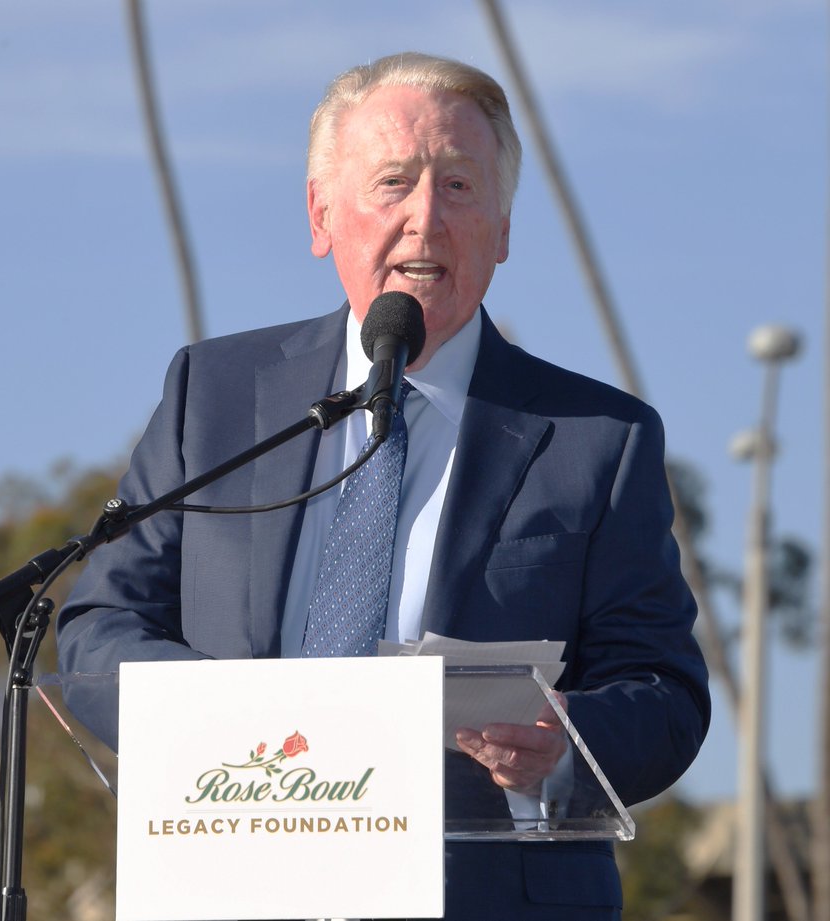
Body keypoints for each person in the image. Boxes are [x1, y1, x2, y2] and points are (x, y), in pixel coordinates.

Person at [57, 51, 710, 919]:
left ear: (505, 228)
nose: (426, 220)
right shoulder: (213, 395)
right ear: (321, 213)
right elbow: (102, 625)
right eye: (393, 182)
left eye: (460, 187)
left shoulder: (600, 438)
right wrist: (216, 719)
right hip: (235, 885)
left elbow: (664, 691)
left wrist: (567, 743)